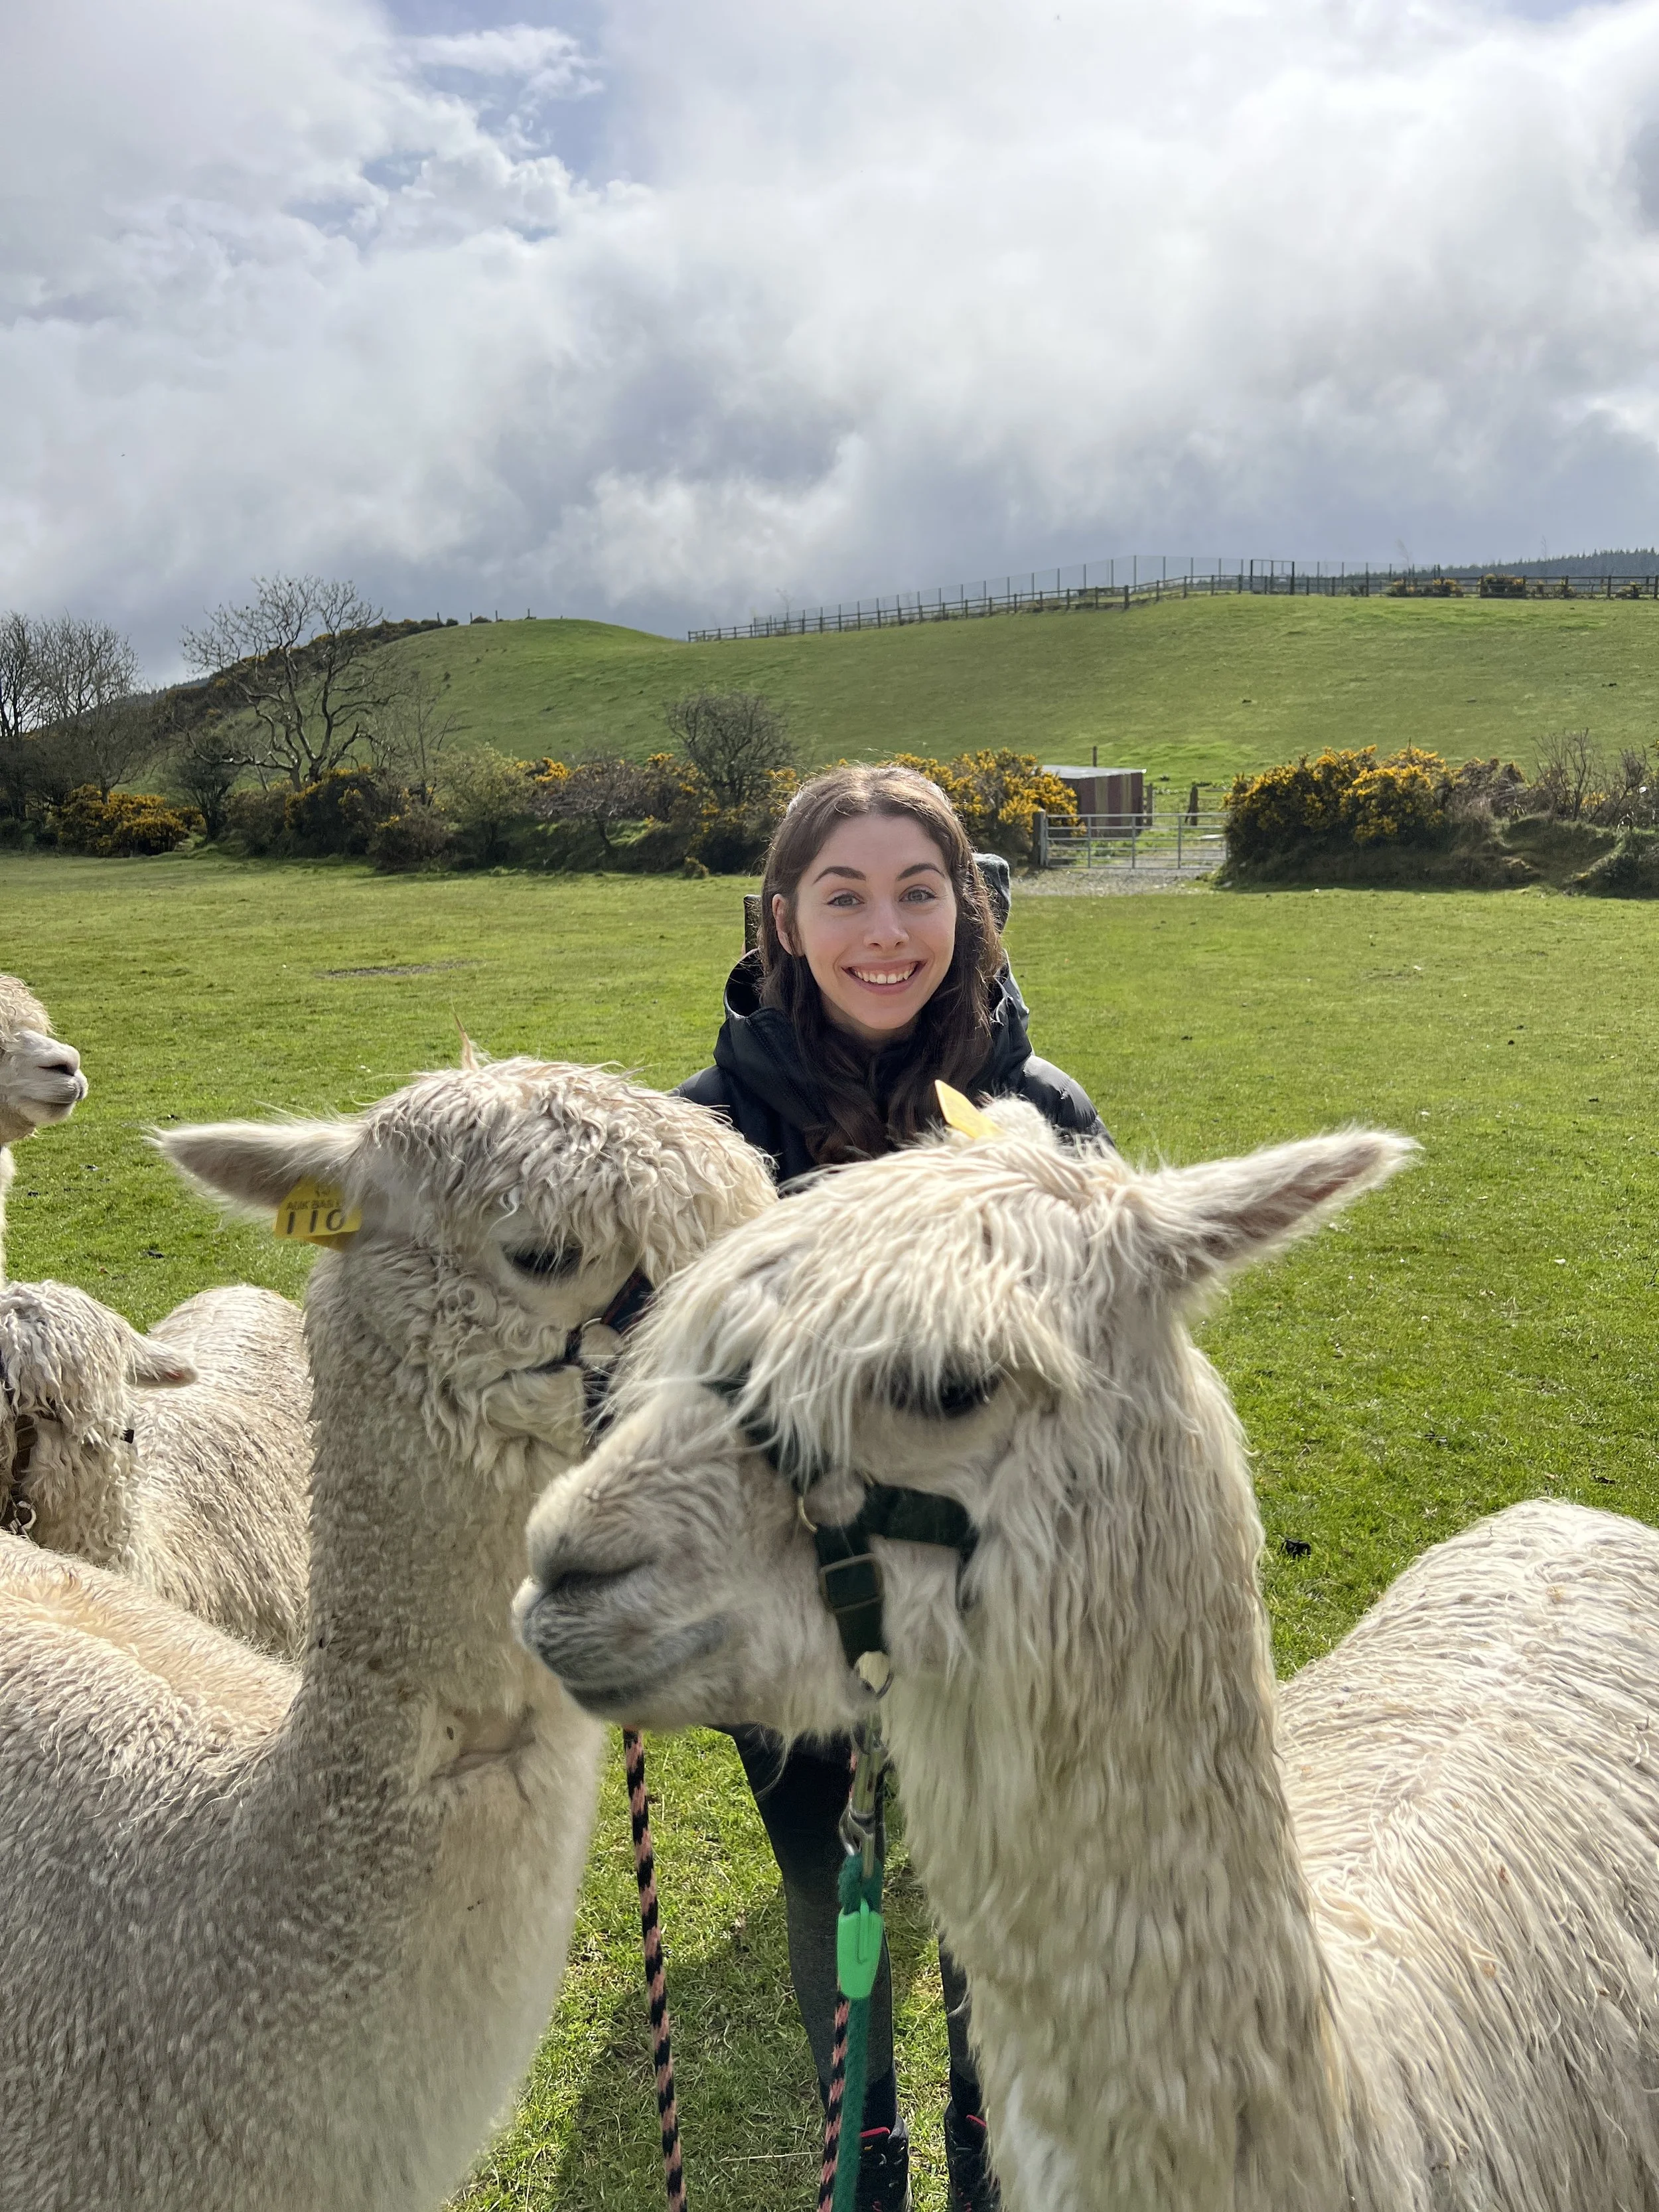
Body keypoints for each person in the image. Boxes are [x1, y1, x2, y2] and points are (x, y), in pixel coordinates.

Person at [676, 763, 1106, 2212]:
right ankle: (860, 2142)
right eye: (842, 894)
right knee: (827, 1880)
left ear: (969, 906)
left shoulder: (1041, 1116)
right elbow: (650, 1401)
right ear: (782, 918)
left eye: (918, 891)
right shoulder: (702, 1143)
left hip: (1000, 1605)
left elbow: (1106, 1392)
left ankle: (989, 2129)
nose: (885, 930)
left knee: (997, 1876)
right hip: (794, 1614)